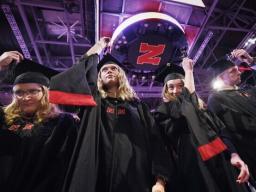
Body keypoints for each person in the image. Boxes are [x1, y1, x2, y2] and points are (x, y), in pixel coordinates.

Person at [49, 38, 171, 192]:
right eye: (104, 70)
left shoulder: (138, 107)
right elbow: (81, 70)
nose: (109, 71)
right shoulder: (92, 101)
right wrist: (99, 46)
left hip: (133, 179)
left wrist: (160, 181)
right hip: (93, 177)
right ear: (98, 77)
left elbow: (156, 143)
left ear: (122, 75)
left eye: (114, 68)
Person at [154, 58, 250, 192]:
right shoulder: (164, 113)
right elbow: (186, 106)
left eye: (181, 85)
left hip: (222, 160)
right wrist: (188, 71)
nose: (176, 90)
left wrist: (234, 154)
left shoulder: (203, 109)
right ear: (166, 90)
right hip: (196, 167)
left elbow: (222, 132)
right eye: (171, 87)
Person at [0, 69, 78, 191]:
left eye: (33, 91)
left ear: (45, 93)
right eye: (19, 92)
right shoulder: (4, 120)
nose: (25, 98)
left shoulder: (59, 123)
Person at [207, 49, 256, 180]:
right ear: (220, 77)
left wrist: (251, 61)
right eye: (232, 71)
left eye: (237, 69)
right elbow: (220, 130)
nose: (239, 71)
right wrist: (233, 153)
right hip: (251, 152)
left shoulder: (246, 91)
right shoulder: (216, 99)